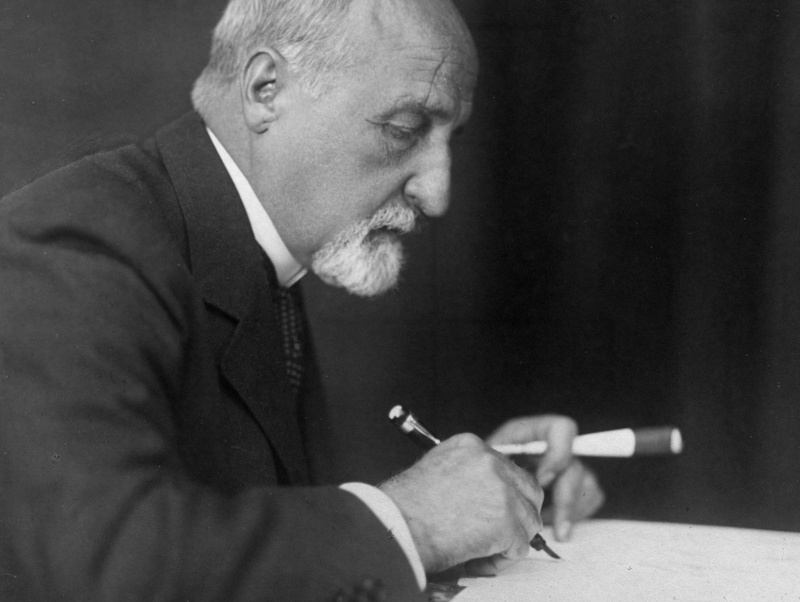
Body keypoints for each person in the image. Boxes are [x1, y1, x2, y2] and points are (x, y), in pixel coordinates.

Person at [0, 0, 604, 600]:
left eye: (450, 140)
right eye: (404, 128)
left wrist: (472, 501)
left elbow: (230, 525)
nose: (438, 193)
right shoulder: (77, 243)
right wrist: (410, 524)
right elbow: (102, 569)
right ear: (265, 90)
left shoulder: (247, 249)